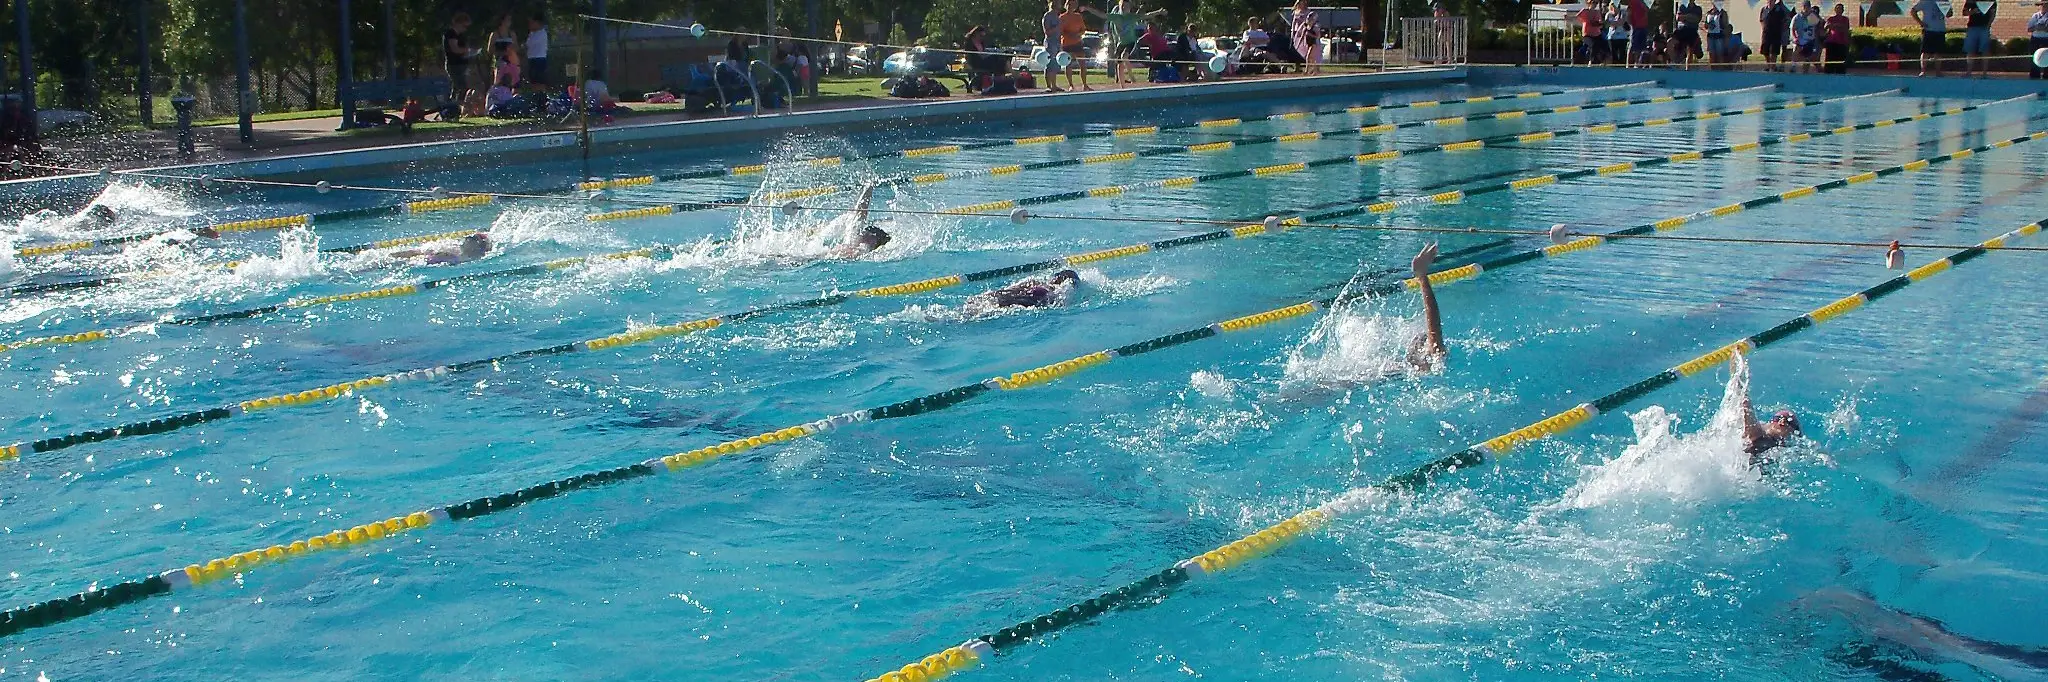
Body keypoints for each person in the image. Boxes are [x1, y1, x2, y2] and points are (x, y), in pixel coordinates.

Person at [1406, 243, 1448, 371]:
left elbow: (1434, 327)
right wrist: (1422, 276)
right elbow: (1434, 328)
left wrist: (1422, 276)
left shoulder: (1430, 363)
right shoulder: (1429, 363)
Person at [829, 182, 892, 259]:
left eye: (865, 233)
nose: (862, 233)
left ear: (872, 238)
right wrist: (869, 188)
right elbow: (860, 212)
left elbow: (861, 214)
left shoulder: (864, 248)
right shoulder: (853, 240)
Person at [973, 270, 1081, 309]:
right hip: (1013, 302)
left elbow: (1012, 289)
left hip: (1000, 295)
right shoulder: (1053, 293)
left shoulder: (1036, 281)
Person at [1741, 396, 1801, 465]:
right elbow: (1746, 406)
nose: (1790, 435)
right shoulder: (1760, 434)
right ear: (1782, 422)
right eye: (1793, 430)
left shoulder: (1774, 442)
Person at [393, 232, 493, 265]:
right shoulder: (460, 248)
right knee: (415, 252)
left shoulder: (468, 258)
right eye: (468, 238)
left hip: (431, 260)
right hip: (431, 255)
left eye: (471, 239)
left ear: (477, 246)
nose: (467, 239)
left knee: (413, 258)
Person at [444, 13, 478, 104]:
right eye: (464, 26)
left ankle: (453, 106)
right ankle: (454, 105)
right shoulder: (451, 34)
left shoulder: (461, 36)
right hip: (453, 64)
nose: (465, 29)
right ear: (458, 23)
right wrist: (466, 50)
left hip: (462, 64)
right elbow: (455, 49)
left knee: (456, 87)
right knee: (461, 86)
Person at [1912, 0, 1951, 76]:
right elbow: (1913, 11)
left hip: (1940, 30)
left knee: (1938, 52)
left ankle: (1938, 72)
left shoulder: (1944, 1)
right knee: (1925, 51)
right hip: (1928, 30)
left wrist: (1946, 8)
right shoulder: (1926, 1)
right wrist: (1920, 22)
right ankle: (1923, 71)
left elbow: (1949, 14)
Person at [1060, 0, 1092, 90]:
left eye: (1073, 5)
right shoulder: (1062, 17)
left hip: (1077, 42)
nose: (1071, 6)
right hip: (1067, 43)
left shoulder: (1078, 17)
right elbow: (1061, 31)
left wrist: (1078, 34)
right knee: (1068, 64)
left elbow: (1083, 29)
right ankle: (1071, 85)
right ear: (1066, 5)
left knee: (1082, 64)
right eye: (1069, 4)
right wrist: (1069, 34)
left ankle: (1085, 84)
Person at [1962, 0, 1997, 77]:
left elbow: (1993, 14)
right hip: (1972, 27)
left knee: (1985, 50)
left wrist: (1988, 25)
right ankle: (1968, 72)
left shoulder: (1991, 1)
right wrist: (1973, 12)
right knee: (1970, 50)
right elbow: (1964, 12)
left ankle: (1984, 73)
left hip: (1984, 28)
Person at [1759, 0, 1794, 70]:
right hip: (1766, 34)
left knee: (1773, 51)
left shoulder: (1779, 10)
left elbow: (1785, 20)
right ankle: (1769, 66)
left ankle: (1773, 67)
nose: (1770, 1)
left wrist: (1782, 30)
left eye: (1771, 0)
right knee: (1765, 51)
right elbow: (1761, 20)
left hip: (1776, 33)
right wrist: (1763, 27)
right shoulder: (1764, 9)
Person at [1291, 0, 1323, 74]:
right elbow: (1302, 33)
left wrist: (1309, 34)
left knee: (1310, 56)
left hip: (1313, 43)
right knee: (1309, 57)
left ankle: (1311, 70)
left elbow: (1316, 35)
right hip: (1308, 41)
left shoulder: (1315, 26)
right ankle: (1313, 69)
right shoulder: (1306, 27)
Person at [1041, 0, 1066, 91]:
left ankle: (1054, 85)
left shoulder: (1057, 16)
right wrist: (1056, 27)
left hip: (1057, 42)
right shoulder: (1047, 16)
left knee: (1055, 64)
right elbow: (1047, 32)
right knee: (1049, 64)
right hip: (1050, 42)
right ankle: (1049, 86)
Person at [1672, 0, 1705, 67]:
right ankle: (1676, 64)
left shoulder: (1698, 9)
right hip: (1681, 30)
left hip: (1691, 31)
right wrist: (1690, 16)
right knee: (1672, 43)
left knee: (1690, 49)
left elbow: (1697, 20)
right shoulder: (1682, 7)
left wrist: (1684, 17)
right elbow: (1678, 18)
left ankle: (1688, 68)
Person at [1823, 3, 1853, 73]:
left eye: (1840, 8)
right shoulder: (1831, 19)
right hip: (1831, 42)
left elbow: (1845, 28)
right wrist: (1835, 26)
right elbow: (1827, 27)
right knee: (1830, 62)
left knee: (1840, 63)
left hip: (1841, 43)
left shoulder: (1845, 19)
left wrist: (1835, 26)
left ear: (1842, 10)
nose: (1838, 10)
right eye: (1837, 8)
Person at [1792, 1, 1821, 72]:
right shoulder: (1797, 17)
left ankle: (1805, 71)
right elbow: (1792, 28)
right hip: (1800, 39)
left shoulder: (1812, 16)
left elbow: (1817, 27)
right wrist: (1795, 37)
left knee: (1808, 56)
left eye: (1808, 6)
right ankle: (1793, 67)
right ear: (1802, 7)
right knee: (1796, 52)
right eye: (1804, 6)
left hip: (1810, 40)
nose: (1806, 8)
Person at [1625, 0, 1653, 65]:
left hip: (1643, 27)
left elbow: (1645, 13)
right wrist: (1632, 26)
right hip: (1636, 28)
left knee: (1641, 48)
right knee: (1632, 46)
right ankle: (1628, 65)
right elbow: (1628, 14)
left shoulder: (1644, 3)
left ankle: (1637, 63)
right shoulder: (1632, 2)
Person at [525, 15, 550, 86]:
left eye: (532, 23)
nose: (530, 25)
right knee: (533, 81)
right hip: (531, 59)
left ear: (537, 23)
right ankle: (536, 94)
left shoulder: (542, 33)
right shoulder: (531, 34)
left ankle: (540, 94)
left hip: (539, 59)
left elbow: (530, 44)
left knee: (540, 80)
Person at [1605, 1, 1631, 66]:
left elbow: (1622, 22)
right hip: (1612, 37)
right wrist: (1614, 23)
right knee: (1613, 55)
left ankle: (1622, 69)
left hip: (1623, 37)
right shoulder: (1608, 14)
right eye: (1612, 5)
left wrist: (1612, 23)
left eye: (1615, 5)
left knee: (1622, 55)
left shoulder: (1623, 13)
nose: (1614, 7)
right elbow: (1606, 24)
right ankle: (1614, 69)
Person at [2032, 0, 2048, 80]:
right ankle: (2034, 76)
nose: (2042, 7)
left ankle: (2046, 76)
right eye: (2041, 5)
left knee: (2046, 57)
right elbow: (2029, 28)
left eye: (2045, 5)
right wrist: (2037, 28)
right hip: (2035, 39)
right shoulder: (2035, 16)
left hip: (2046, 39)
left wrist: (2042, 28)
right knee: (2034, 57)